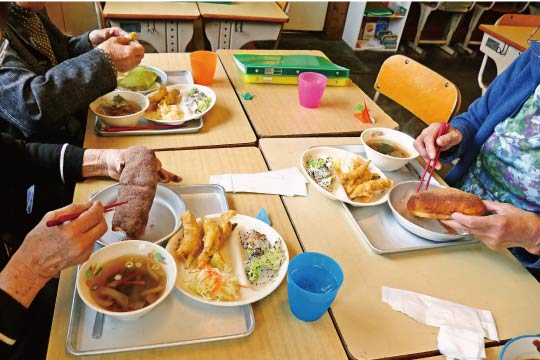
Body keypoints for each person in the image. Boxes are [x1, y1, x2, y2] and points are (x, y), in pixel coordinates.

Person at [413, 34, 540, 277]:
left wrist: (534, 235)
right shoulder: (535, 60)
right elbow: (477, 116)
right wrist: (454, 135)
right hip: (452, 209)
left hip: (515, 261)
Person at [0, 2, 144, 145]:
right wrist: (103, 58)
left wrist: (88, 44)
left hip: (78, 127)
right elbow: (31, 107)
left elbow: (54, 55)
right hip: (49, 153)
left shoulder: (31, 8)